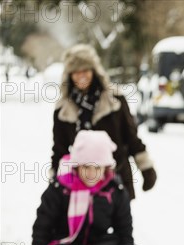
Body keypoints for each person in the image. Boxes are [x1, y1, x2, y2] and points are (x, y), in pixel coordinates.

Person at [26, 130, 144, 245]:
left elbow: (124, 232)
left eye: (97, 168)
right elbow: (41, 228)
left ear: (105, 167)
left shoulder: (115, 191)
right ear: (77, 165)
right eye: (86, 167)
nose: (91, 173)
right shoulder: (60, 188)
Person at [52, 43, 157, 200]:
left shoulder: (115, 100)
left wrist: (146, 167)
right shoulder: (63, 109)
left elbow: (131, 136)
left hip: (117, 178)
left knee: (121, 223)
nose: (81, 75)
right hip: (80, 183)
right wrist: (54, 178)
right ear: (69, 75)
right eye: (76, 72)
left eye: (85, 70)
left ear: (94, 71)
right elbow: (59, 149)